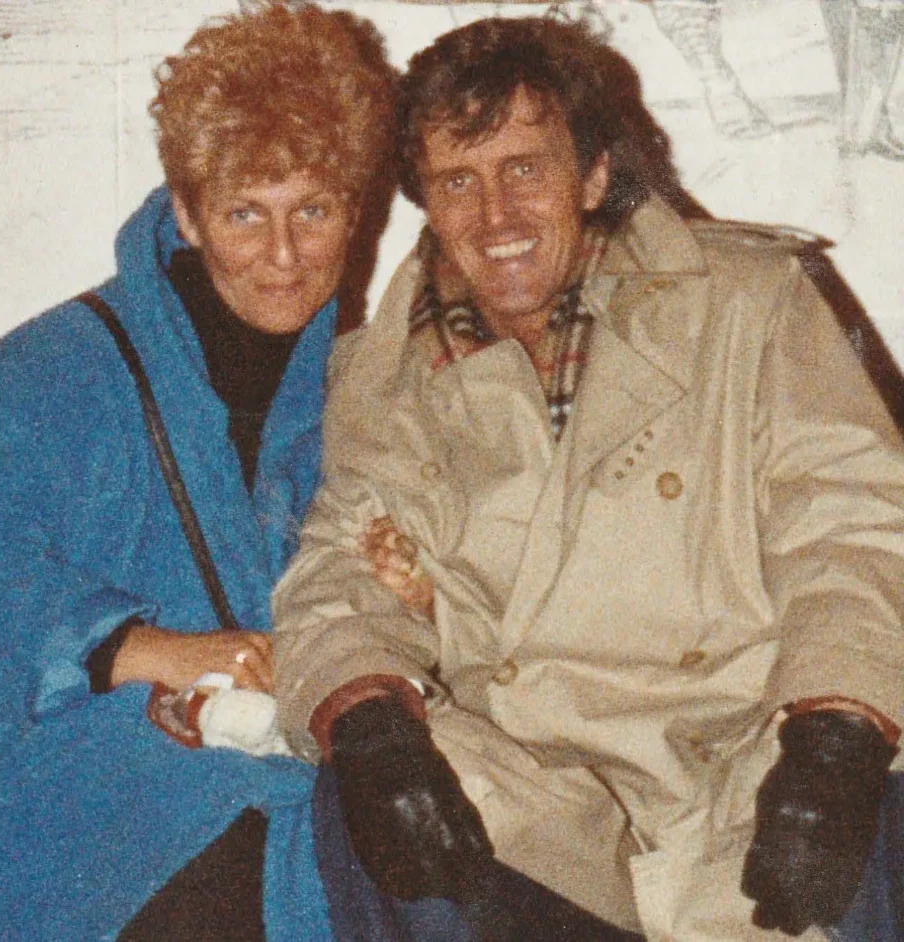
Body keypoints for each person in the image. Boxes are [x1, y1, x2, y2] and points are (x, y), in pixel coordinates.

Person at [273, 14, 904, 942]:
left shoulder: (749, 302)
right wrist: (365, 718)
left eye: (525, 168)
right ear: (428, 206)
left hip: (747, 761)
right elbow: (340, 570)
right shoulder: (392, 374)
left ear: (594, 175)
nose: (496, 217)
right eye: (459, 181)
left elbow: (850, 528)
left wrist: (835, 732)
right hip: (539, 797)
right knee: (365, 792)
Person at [0, 4, 397, 940]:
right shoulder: (48, 376)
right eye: (246, 214)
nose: (283, 257)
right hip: (49, 810)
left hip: (255, 803)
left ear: (355, 213)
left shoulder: (354, 393)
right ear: (190, 212)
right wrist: (143, 650)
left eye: (312, 212)